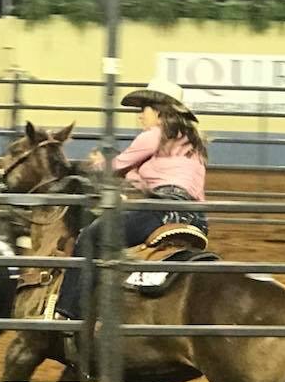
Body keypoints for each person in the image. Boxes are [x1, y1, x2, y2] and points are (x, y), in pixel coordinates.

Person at [54, 78, 208, 320]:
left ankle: (70, 312)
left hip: (162, 211)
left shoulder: (153, 135)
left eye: (143, 109)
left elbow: (113, 169)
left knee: (91, 236)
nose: (139, 116)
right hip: (196, 218)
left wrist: (98, 164)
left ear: (159, 111)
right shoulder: (192, 143)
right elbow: (150, 182)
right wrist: (129, 172)